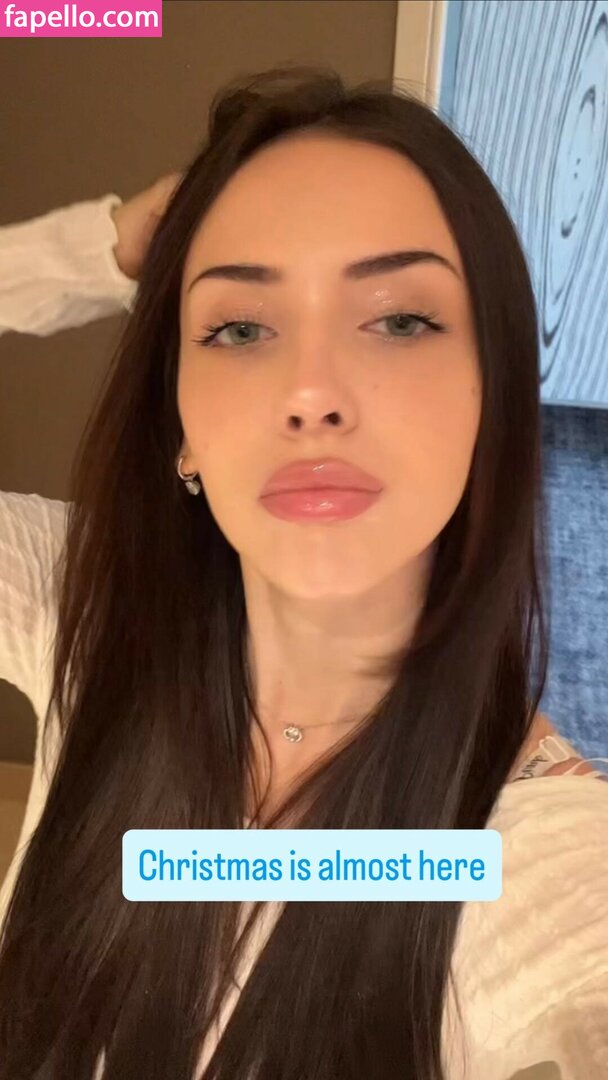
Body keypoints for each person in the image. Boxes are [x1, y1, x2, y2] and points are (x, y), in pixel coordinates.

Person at [0, 65, 606, 1080]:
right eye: (239, 327)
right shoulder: (86, 607)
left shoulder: (535, 855)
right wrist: (95, 253)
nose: (312, 392)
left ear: (490, 396)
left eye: (399, 319)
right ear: (180, 427)